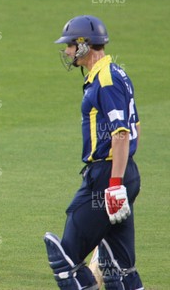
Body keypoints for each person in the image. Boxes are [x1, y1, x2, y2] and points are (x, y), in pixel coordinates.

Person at [44, 15, 143, 289]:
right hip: (124, 173)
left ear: (84, 45)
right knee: (122, 270)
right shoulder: (116, 73)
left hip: (106, 176)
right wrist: (123, 180)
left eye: (69, 46)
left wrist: (113, 184)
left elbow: (121, 133)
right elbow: (136, 127)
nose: (66, 52)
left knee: (67, 260)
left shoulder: (107, 79)